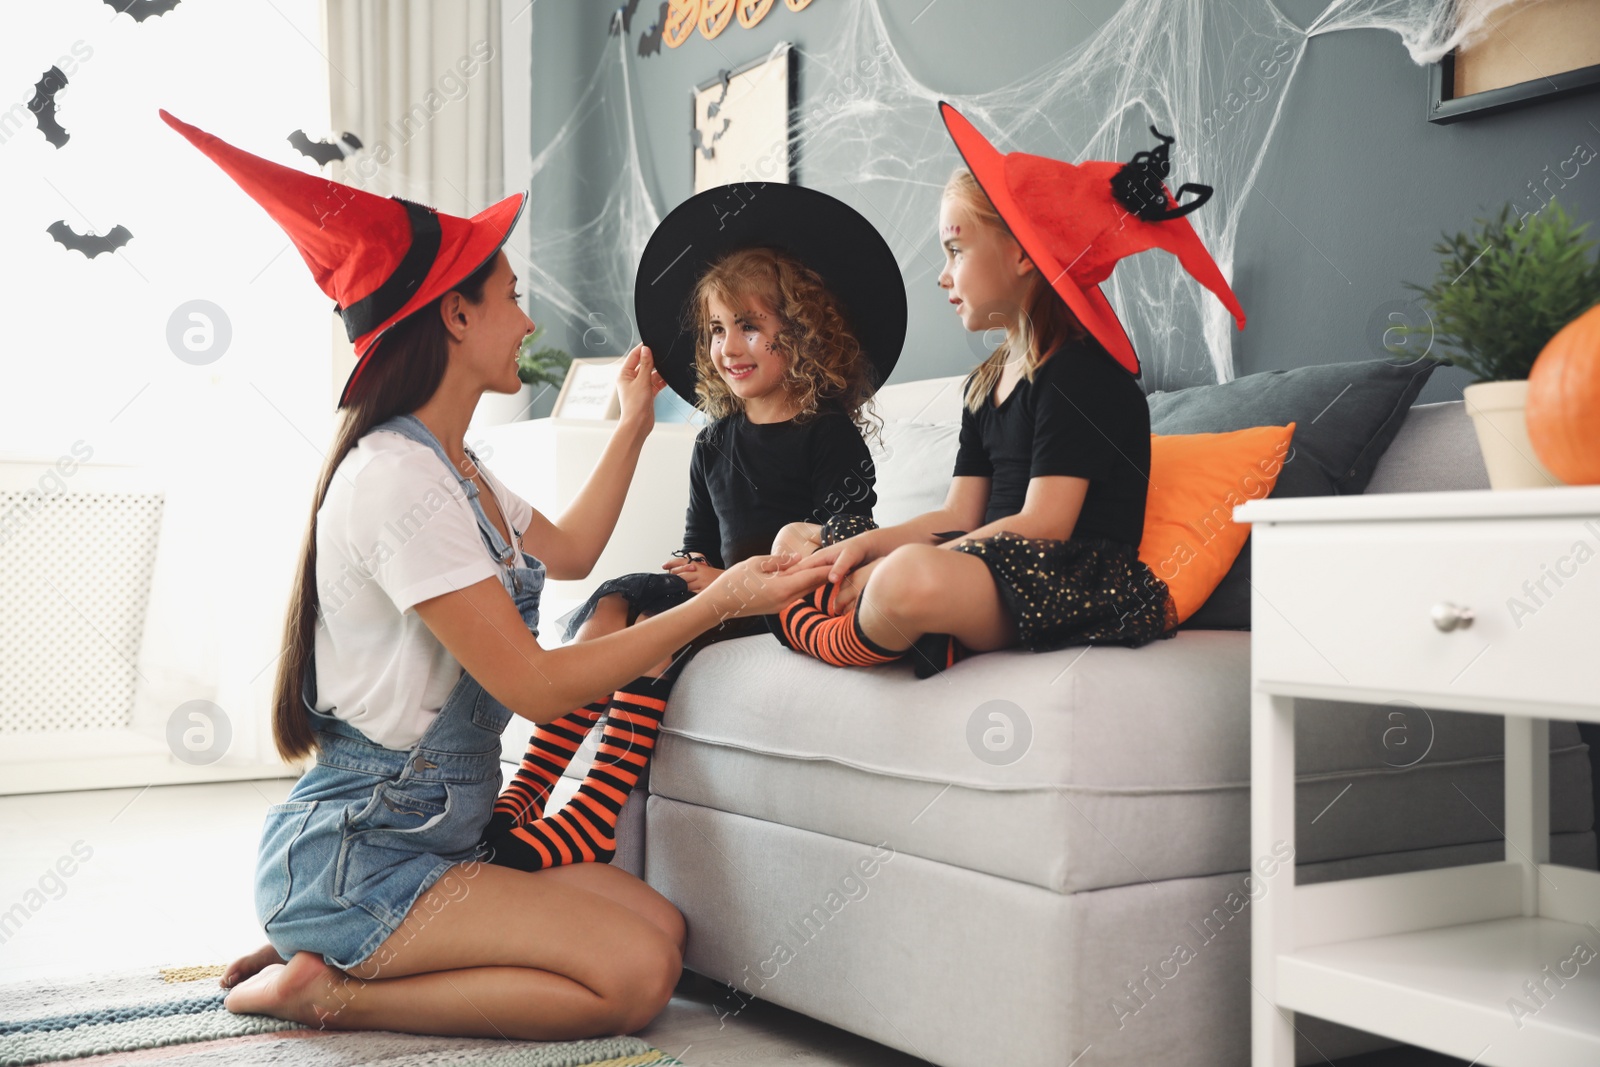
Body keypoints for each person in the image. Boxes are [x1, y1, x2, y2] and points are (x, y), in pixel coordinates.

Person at [157, 109, 822, 1038]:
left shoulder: (458, 469)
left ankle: (332, 943)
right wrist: (717, 600)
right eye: (511, 295)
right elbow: (539, 688)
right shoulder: (397, 480)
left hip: (438, 842)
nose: (529, 319)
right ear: (454, 314)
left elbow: (577, 552)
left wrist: (633, 423)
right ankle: (328, 987)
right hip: (368, 851)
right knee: (633, 978)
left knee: (662, 929)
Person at [484, 184, 906, 863]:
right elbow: (696, 548)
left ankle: (594, 807)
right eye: (715, 329)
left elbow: (846, 541)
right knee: (625, 597)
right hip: (718, 596)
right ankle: (533, 789)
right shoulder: (714, 441)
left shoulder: (828, 437)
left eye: (748, 325)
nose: (727, 345)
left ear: (800, 332)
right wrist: (699, 574)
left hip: (783, 600)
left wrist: (727, 582)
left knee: (650, 613)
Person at [771, 102, 1248, 678]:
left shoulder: (1081, 373)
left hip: (1059, 575)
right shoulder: (986, 382)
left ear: (1022, 252)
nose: (943, 275)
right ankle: (894, 624)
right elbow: (958, 513)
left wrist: (903, 563)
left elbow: (1044, 526)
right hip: (984, 557)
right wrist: (864, 548)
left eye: (955, 250)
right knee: (799, 538)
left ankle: (843, 631)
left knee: (906, 577)